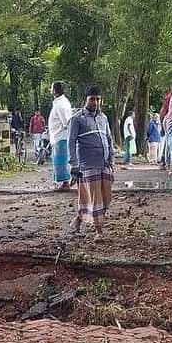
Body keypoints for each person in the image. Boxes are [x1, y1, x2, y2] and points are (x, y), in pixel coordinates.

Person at [68, 86, 114, 237]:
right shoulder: (77, 119)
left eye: (97, 99)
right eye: (92, 99)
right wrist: (74, 165)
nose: (95, 102)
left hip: (104, 164)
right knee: (95, 200)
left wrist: (111, 160)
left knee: (106, 198)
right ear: (86, 100)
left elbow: (109, 139)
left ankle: (79, 217)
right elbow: (71, 142)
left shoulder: (104, 117)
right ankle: (99, 231)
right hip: (87, 165)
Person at [48, 81, 73, 190]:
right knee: (59, 160)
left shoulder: (61, 105)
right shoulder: (60, 102)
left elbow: (66, 122)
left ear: (54, 90)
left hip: (61, 136)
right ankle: (62, 182)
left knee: (61, 161)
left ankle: (65, 183)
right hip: (57, 136)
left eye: (51, 88)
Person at [158, 80, 172, 169]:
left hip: (169, 120)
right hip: (169, 120)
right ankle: (166, 161)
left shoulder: (171, 96)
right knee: (169, 142)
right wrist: (162, 123)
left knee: (168, 142)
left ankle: (164, 161)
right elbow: (163, 110)